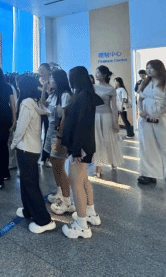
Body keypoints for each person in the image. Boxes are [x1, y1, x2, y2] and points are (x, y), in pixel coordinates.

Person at [61, 66, 103, 239]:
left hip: (80, 146)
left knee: (76, 182)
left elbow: (81, 124)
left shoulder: (83, 96)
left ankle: (81, 224)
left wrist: (76, 149)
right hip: (84, 145)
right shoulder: (85, 94)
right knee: (83, 179)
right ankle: (90, 212)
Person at [11, 75, 54, 234]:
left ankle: (44, 220)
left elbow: (20, 128)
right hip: (32, 148)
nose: (17, 87)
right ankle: (28, 210)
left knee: (30, 185)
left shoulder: (26, 103)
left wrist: (13, 144)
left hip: (26, 148)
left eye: (19, 85)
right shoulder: (34, 102)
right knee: (26, 182)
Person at [137, 60, 166, 185]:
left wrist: (158, 114)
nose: (148, 70)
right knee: (147, 146)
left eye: (151, 68)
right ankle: (149, 174)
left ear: (158, 68)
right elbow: (140, 99)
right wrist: (141, 111)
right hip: (145, 118)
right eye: (147, 68)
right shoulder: (145, 83)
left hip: (162, 117)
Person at [40, 70, 73, 214]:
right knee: (54, 162)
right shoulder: (54, 95)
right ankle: (60, 192)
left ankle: (67, 200)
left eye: (52, 78)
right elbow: (43, 105)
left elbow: (65, 117)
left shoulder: (65, 95)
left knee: (59, 164)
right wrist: (44, 89)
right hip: (50, 132)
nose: (50, 80)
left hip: (59, 134)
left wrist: (60, 138)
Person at [93, 66, 123, 178]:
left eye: (98, 73)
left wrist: (116, 122)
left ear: (104, 75)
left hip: (107, 117)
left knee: (109, 139)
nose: (96, 75)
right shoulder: (93, 87)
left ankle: (113, 161)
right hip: (95, 116)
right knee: (97, 141)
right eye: (96, 72)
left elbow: (114, 107)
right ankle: (98, 167)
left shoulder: (111, 89)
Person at [38, 63, 52, 166]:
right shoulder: (37, 81)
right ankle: (37, 155)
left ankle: (46, 156)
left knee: (47, 132)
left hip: (48, 110)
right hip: (38, 110)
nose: (41, 71)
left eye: (43, 70)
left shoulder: (51, 82)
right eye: (40, 69)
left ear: (48, 71)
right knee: (37, 132)